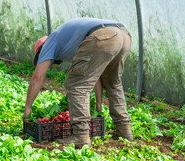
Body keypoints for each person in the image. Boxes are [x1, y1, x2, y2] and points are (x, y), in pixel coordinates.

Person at [23, 17, 133, 148]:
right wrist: (98, 103)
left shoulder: (48, 43)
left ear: (41, 51)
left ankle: (80, 135)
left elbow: (38, 78)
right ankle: (124, 129)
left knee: (76, 85)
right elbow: (95, 74)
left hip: (103, 35)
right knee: (113, 82)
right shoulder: (67, 40)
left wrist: (28, 108)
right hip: (122, 34)